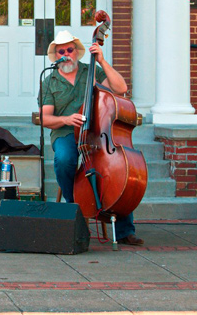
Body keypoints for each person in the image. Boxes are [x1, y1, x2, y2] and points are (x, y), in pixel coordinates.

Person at [40, 30, 143, 246]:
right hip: (66, 131)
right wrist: (67, 119)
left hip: (97, 132)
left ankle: (124, 229)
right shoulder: (50, 81)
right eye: (61, 51)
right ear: (56, 55)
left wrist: (103, 61)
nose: (66, 54)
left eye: (70, 50)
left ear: (77, 52)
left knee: (118, 168)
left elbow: (121, 88)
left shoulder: (92, 71)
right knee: (65, 160)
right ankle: (76, 208)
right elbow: (45, 118)